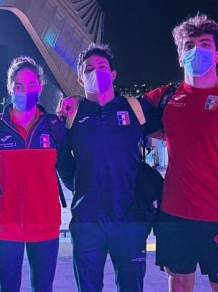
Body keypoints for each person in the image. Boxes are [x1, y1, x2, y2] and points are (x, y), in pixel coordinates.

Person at [141, 15, 218, 291]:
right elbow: (121, 114)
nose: (196, 50)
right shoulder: (164, 97)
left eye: (204, 44)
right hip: (174, 217)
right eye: (188, 45)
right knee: (178, 287)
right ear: (179, 56)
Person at [54, 45, 157, 292]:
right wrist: (82, 187)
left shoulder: (134, 108)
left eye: (102, 67)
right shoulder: (72, 114)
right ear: (80, 79)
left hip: (130, 219)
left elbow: (174, 132)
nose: (96, 72)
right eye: (89, 69)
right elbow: (63, 161)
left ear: (113, 74)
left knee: (131, 287)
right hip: (87, 221)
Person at [0, 57, 66, 292]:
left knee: (43, 288)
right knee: (8, 288)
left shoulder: (54, 126)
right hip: (4, 223)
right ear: (9, 88)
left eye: (32, 85)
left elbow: (69, 169)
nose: (25, 91)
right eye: (18, 86)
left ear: (40, 87)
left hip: (44, 222)